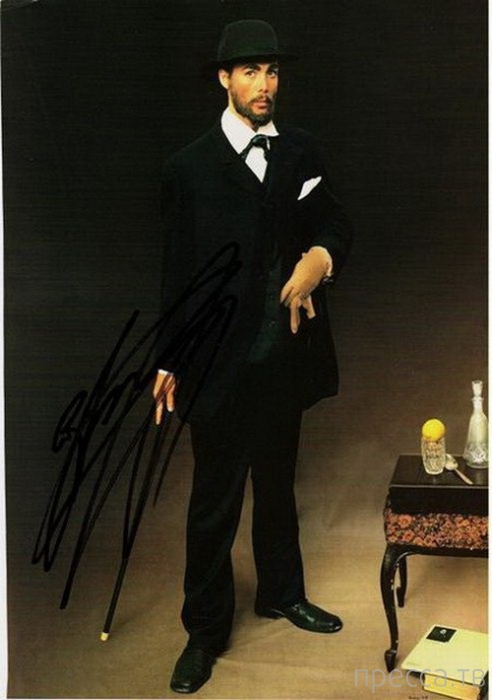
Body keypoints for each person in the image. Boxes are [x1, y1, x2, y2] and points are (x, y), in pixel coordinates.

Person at [152, 19, 352, 694]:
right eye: (249, 72)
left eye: (271, 71)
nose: (264, 85)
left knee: (276, 484)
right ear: (224, 79)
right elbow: (177, 274)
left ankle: (281, 594)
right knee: (214, 502)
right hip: (217, 366)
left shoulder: (300, 149)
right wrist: (168, 360)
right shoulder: (187, 168)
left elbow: (335, 222)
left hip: (284, 355)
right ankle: (204, 633)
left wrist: (320, 258)